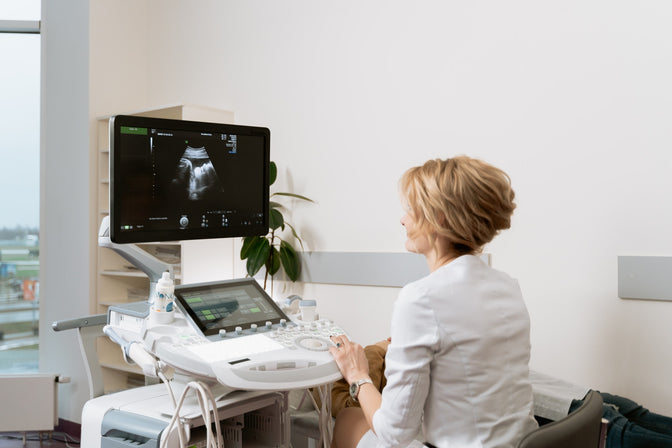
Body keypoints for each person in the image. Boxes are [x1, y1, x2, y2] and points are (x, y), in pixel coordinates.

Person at [329, 157, 538, 448]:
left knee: (349, 419)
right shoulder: (507, 286)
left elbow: (394, 433)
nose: (403, 220)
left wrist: (358, 375)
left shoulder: (420, 298)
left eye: (410, 210)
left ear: (438, 218)